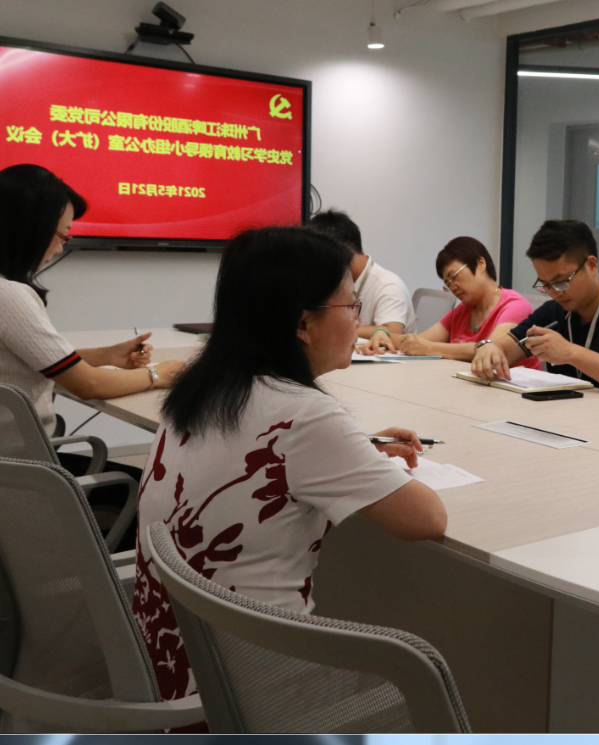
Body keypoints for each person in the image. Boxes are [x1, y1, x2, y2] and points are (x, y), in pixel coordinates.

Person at [131, 226, 447, 710]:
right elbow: (426, 520)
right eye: (352, 307)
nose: (357, 320)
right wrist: (344, 451)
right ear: (303, 323)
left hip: (169, 668)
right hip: (253, 692)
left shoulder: (199, 390)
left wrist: (352, 453)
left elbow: (252, 454)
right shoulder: (304, 414)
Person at [0, 164, 184, 547]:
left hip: (15, 464)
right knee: (159, 497)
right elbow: (88, 385)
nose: (61, 246)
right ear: (29, 227)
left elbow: (23, 359)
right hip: (28, 474)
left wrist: (108, 355)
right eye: (61, 234)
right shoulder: (10, 296)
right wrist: (161, 374)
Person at [470, 220, 599, 397]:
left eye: (561, 282)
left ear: (591, 265)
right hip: (566, 415)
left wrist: (570, 353)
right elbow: (506, 349)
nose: (555, 293)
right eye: (546, 285)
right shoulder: (552, 312)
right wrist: (490, 348)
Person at [383, 236, 540, 369]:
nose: (453, 287)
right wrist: (381, 335)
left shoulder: (514, 306)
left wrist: (429, 348)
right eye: (447, 283)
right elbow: (417, 342)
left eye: (454, 276)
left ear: (480, 264)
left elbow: (492, 351)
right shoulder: (462, 311)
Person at [309, 209, 415, 350]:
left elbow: (392, 331)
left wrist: (331, 329)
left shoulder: (388, 285)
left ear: (343, 253)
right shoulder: (337, 281)